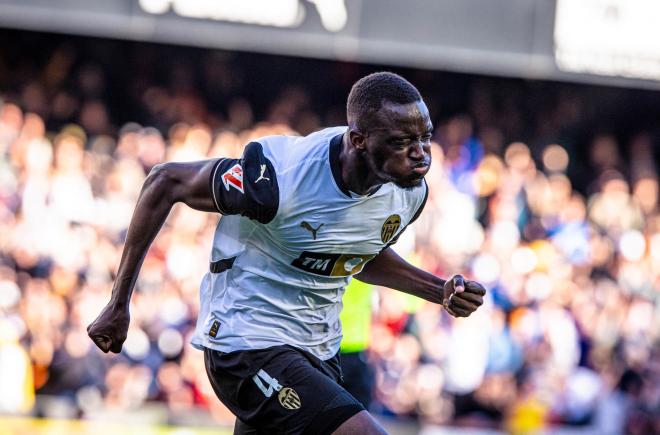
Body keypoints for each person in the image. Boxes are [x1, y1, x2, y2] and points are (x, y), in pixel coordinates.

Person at [87, 72, 486, 434]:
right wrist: (119, 302)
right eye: (402, 141)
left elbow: (358, 252)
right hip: (245, 343)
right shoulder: (280, 177)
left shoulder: (409, 193)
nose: (420, 153)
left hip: (318, 351)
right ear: (359, 139)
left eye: (425, 137)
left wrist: (439, 291)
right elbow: (164, 181)